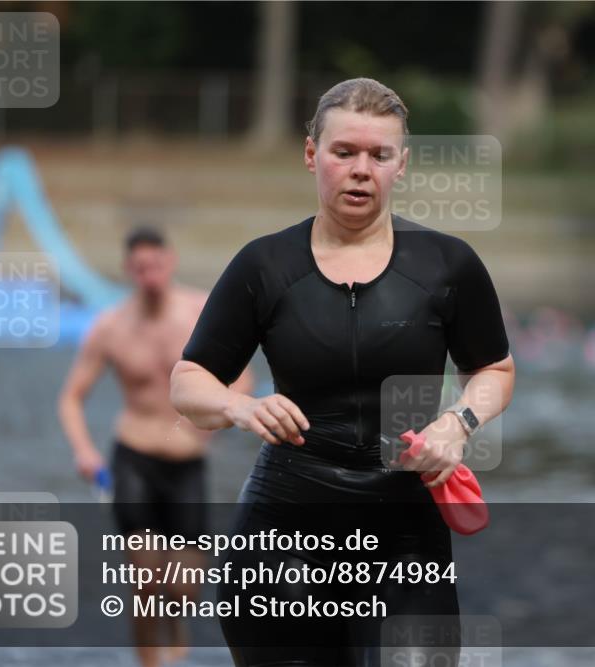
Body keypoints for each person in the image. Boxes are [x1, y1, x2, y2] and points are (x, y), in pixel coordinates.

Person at [170, 78, 516, 666]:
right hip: (283, 534)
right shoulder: (264, 265)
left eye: (379, 155)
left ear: (401, 164)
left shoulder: (447, 265)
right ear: (312, 155)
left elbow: (495, 369)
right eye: (344, 152)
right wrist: (240, 407)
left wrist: (458, 423)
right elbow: (188, 380)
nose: (361, 170)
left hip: (405, 535)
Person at [57, 226, 254, 667]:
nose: (150, 276)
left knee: (183, 588)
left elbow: (242, 377)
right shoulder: (110, 327)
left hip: (187, 464)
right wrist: (84, 450)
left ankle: (176, 620)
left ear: (171, 262)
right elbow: (71, 397)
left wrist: (221, 414)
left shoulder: (201, 312)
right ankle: (149, 662)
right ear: (129, 270)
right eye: (140, 268)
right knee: (145, 580)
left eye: (156, 265)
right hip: (134, 458)